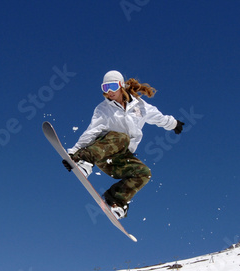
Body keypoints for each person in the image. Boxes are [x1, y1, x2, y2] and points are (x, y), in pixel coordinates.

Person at [63, 70, 184, 219]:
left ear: (121, 85)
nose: (109, 92)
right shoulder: (103, 109)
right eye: (105, 88)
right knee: (122, 137)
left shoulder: (139, 105)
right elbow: (92, 131)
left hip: (117, 160)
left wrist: (173, 123)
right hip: (101, 152)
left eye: (112, 86)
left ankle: (116, 200)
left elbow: (157, 117)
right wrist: (74, 154)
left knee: (144, 173)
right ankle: (85, 162)